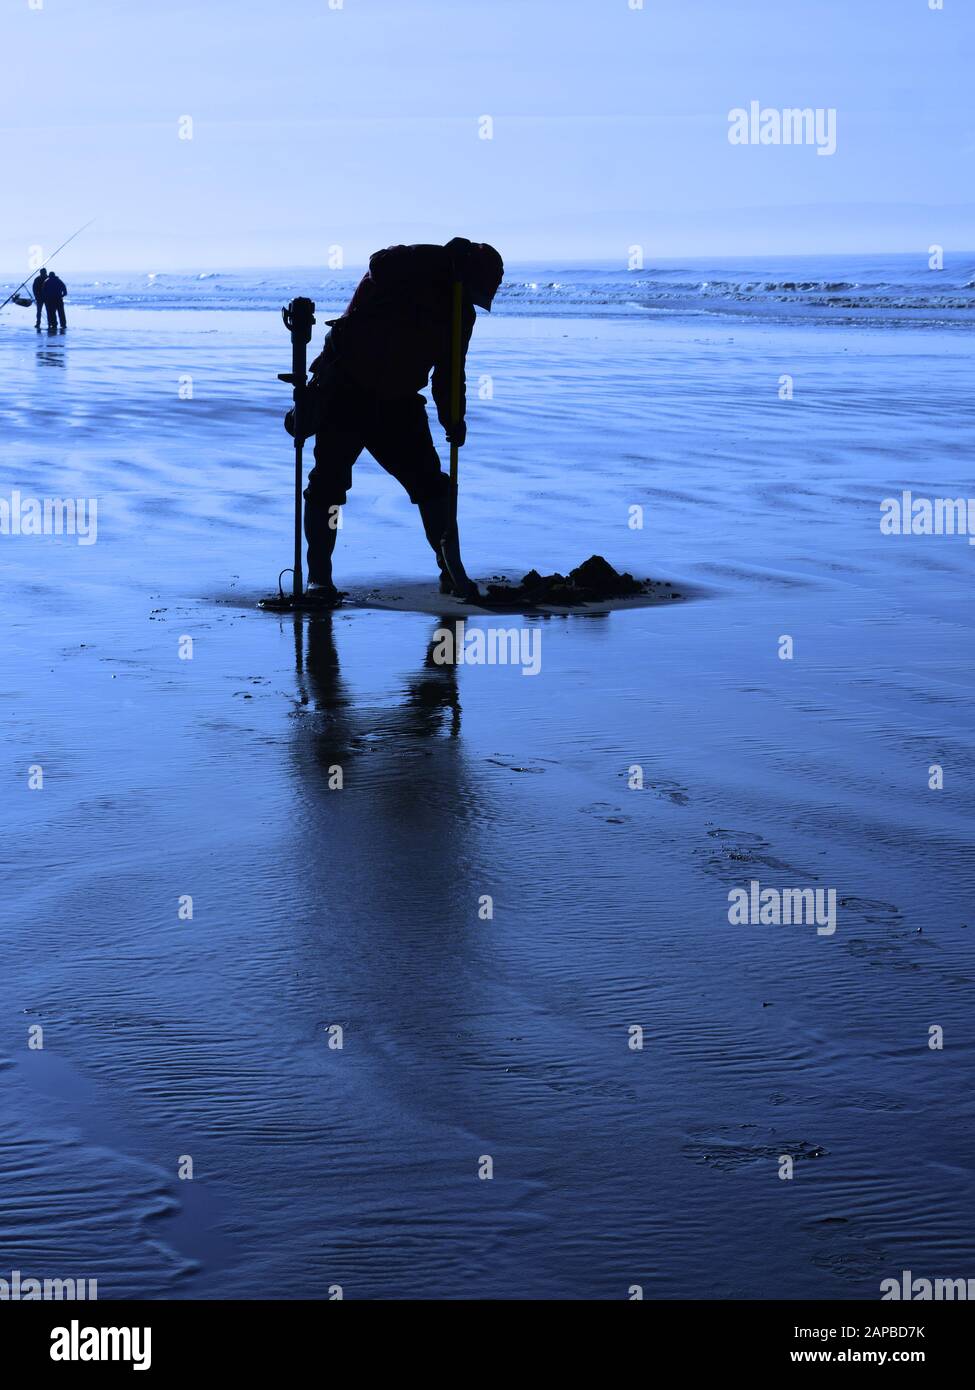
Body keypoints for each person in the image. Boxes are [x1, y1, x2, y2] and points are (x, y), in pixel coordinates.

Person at [302, 237, 503, 602]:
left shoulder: (463, 313)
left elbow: (449, 372)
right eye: (477, 289)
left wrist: (453, 417)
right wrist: (436, 264)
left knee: (431, 485)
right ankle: (319, 578)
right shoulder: (408, 266)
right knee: (328, 486)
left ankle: (450, 569)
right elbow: (379, 264)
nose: (477, 298)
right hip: (346, 388)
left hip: (399, 402)